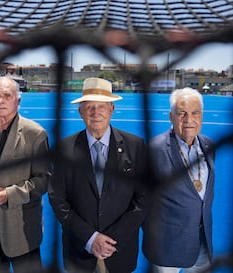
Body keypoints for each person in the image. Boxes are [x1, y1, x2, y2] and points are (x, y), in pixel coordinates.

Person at [48, 77, 149, 273]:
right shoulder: (63, 149)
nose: (96, 113)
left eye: (101, 106)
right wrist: (90, 238)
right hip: (79, 250)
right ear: (80, 111)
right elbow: (58, 199)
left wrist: (112, 240)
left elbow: (144, 198)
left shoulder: (135, 146)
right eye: (89, 107)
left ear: (112, 109)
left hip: (120, 251)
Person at [0, 76, 51, 273]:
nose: (0, 100)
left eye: (7, 95)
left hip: (20, 228)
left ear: (18, 100)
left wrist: (9, 194)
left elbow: (44, 180)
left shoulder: (35, 133)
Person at [142, 87, 216, 273]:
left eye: (195, 113)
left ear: (202, 116)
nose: (189, 120)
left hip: (202, 240)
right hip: (166, 244)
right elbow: (140, 199)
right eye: (181, 113)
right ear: (171, 117)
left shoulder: (209, 145)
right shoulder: (154, 149)